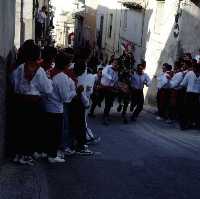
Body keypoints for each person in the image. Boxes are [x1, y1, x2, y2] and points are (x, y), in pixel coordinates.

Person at [11, 42, 53, 165]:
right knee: (31, 130)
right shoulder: (40, 72)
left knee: (20, 128)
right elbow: (47, 89)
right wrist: (49, 80)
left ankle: (18, 154)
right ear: (37, 55)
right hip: (34, 104)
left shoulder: (20, 68)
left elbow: (14, 82)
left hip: (20, 101)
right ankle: (26, 155)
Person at [44, 52, 76, 163]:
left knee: (48, 133)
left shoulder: (49, 72)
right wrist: (74, 92)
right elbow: (66, 98)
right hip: (56, 108)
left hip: (47, 106)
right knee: (55, 134)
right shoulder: (61, 77)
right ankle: (52, 155)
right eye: (69, 63)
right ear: (65, 64)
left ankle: (47, 152)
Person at [180, 63, 200, 130]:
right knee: (194, 110)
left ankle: (183, 125)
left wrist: (187, 86)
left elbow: (183, 84)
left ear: (193, 68)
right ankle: (192, 123)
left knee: (186, 110)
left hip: (189, 94)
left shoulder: (189, 73)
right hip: (197, 95)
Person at [101, 58, 119, 125]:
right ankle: (105, 117)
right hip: (104, 87)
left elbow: (116, 79)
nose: (116, 64)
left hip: (111, 88)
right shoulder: (107, 67)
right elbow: (104, 73)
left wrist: (116, 84)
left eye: (116, 63)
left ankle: (106, 115)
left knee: (109, 103)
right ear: (112, 62)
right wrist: (111, 78)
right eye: (115, 62)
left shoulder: (116, 70)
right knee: (107, 103)